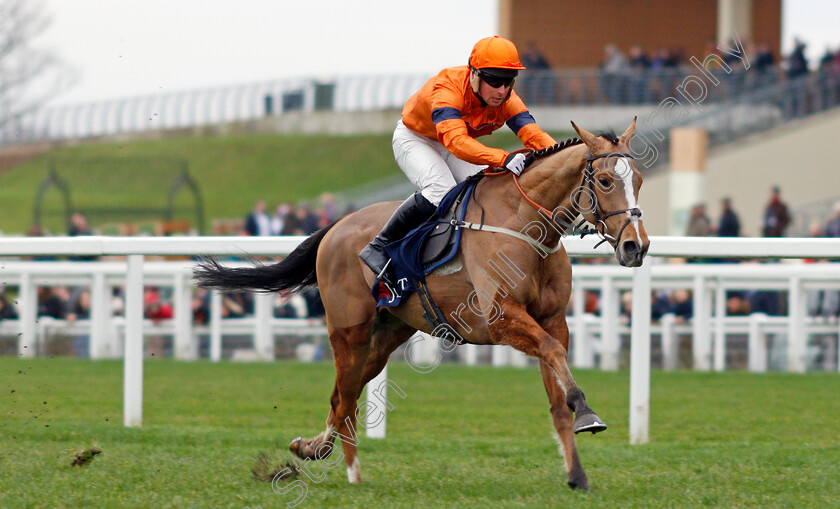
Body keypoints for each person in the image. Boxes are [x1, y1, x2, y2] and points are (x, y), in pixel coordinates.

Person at [359, 36, 557, 285]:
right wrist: (502, 158)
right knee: (441, 191)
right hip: (417, 139)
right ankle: (379, 246)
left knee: (485, 191)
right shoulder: (447, 89)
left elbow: (533, 134)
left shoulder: (506, 99)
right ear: (474, 74)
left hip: (453, 142)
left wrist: (565, 155)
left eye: (508, 82)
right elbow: (456, 142)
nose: (502, 90)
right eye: (494, 81)